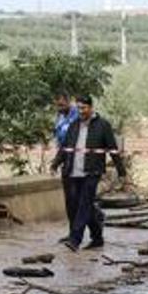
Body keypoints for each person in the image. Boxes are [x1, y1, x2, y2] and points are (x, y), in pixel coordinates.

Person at [51, 95, 126, 251]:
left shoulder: (103, 125)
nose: (81, 111)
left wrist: (121, 171)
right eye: (78, 108)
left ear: (91, 108)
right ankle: (97, 236)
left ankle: (75, 239)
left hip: (92, 171)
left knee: (84, 204)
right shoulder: (74, 125)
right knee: (78, 205)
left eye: (84, 108)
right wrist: (55, 164)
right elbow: (65, 148)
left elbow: (112, 149)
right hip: (72, 171)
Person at [53, 92, 81, 243]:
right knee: (70, 201)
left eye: (62, 104)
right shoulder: (60, 117)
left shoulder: (77, 116)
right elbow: (61, 142)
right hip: (66, 161)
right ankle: (72, 233)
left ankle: (96, 220)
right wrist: (56, 162)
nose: (59, 108)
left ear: (69, 101)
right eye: (57, 105)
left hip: (80, 162)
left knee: (80, 199)